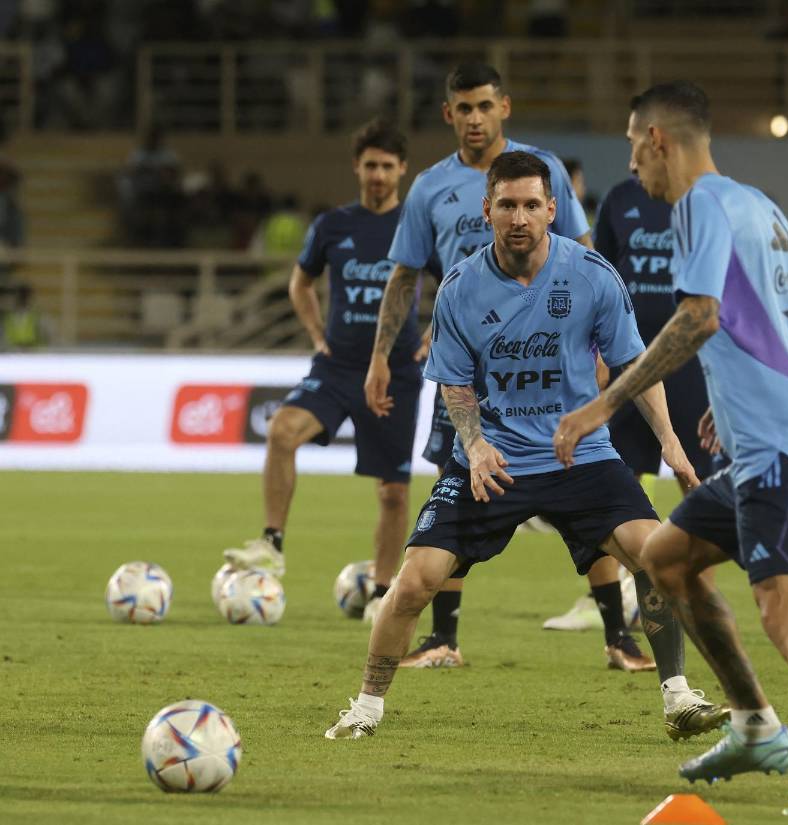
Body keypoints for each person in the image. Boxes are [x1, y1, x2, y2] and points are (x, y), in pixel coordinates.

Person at [553, 82, 788, 817]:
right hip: (770, 443)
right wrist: (751, 389)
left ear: (658, 137)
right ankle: (755, 726)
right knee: (664, 559)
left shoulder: (698, 206)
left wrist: (606, 400)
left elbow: (698, 317)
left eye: (632, 144)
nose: (632, 163)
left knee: (787, 612)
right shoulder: (762, 209)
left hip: (782, 449)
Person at [325, 151, 728, 742]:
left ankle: (678, 697)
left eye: (532, 205)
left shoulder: (591, 274)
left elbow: (633, 366)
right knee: (413, 582)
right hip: (494, 460)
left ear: (552, 210)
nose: (520, 217)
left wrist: (669, 441)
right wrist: (477, 444)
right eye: (507, 205)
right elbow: (456, 387)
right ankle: (365, 707)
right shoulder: (461, 287)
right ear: (487, 210)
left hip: (581, 457)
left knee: (658, 557)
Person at [364, 62, 644, 671]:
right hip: (467, 363)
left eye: (483, 106)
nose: (473, 118)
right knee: (458, 475)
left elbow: (583, 255)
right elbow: (406, 273)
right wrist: (382, 352)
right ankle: (444, 640)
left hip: (547, 363)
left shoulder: (537, 172)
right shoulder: (429, 189)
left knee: (584, 484)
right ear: (448, 115)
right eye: (462, 108)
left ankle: (618, 636)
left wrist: (593, 350)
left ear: (503, 108)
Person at [223, 118, 420, 623]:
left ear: (402, 169)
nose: (377, 174)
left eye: (386, 166)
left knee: (393, 491)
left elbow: (463, 282)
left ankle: (381, 591)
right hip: (337, 367)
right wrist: (316, 335)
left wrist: (432, 338)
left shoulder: (417, 226)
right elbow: (300, 283)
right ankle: (272, 543)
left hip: (395, 372)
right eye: (370, 165)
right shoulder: (333, 225)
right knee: (284, 431)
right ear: (357, 167)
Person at [542, 174, 711, 632]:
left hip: (693, 361)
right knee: (616, 477)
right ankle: (608, 597)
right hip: (627, 359)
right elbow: (598, 274)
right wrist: (596, 351)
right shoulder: (620, 198)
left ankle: (699, 598)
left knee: (696, 479)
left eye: (635, 141)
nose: (631, 156)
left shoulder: (707, 201)